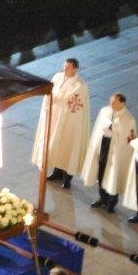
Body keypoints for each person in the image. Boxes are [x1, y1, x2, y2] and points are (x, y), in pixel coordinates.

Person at [32, 58, 90, 189]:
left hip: (69, 122)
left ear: (75, 69)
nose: (64, 70)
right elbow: (51, 90)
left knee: (67, 147)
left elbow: (70, 103)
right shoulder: (57, 77)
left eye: (68, 68)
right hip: (55, 118)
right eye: (64, 67)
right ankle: (57, 172)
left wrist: (55, 98)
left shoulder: (80, 86)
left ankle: (67, 177)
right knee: (55, 145)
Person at [80, 93, 136, 212]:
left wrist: (114, 132)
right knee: (101, 173)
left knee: (112, 176)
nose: (111, 104)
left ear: (122, 103)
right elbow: (97, 128)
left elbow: (129, 139)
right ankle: (102, 198)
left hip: (115, 151)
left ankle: (112, 202)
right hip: (103, 145)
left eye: (114, 102)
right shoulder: (104, 111)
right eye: (110, 101)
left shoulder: (129, 119)